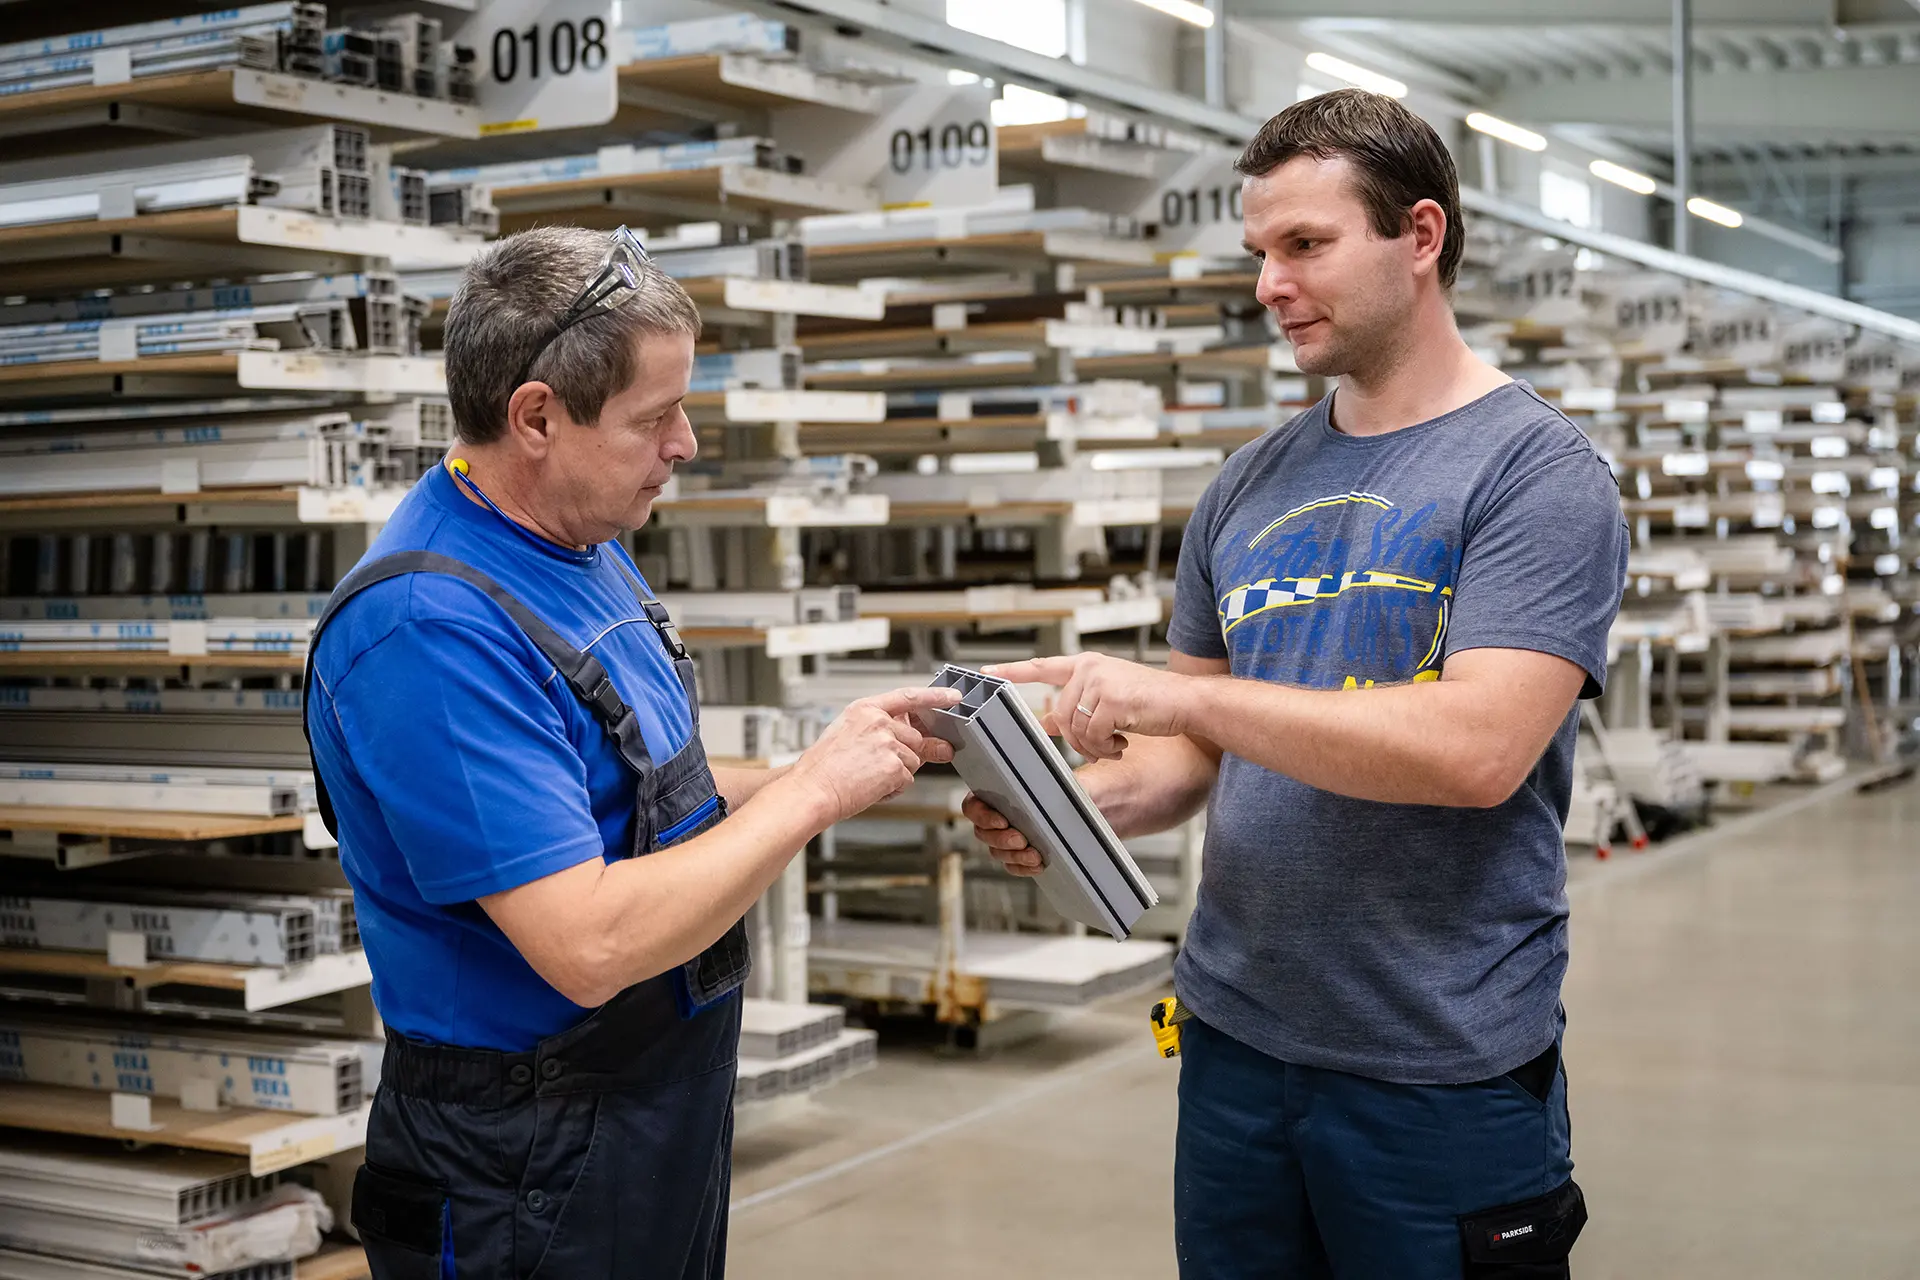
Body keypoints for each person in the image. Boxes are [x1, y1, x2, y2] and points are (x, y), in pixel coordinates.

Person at [966, 89, 1627, 1279]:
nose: (1270, 282)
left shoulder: (1538, 473)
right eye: (1259, 252)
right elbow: (1190, 760)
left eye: (1306, 245)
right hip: (1235, 1043)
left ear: (1420, 237)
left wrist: (1178, 703)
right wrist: (1074, 804)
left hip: (1439, 1063)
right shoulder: (1244, 487)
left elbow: (1477, 751)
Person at [304, 225, 959, 1279]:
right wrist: (811, 798)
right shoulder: (430, 627)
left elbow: (652, 788)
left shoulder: (577, 543)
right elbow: (589, 941)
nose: (686, 443)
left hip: (646, 1108)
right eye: (655, 417)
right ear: (536, 417)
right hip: (521, 1156)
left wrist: (853, 760)